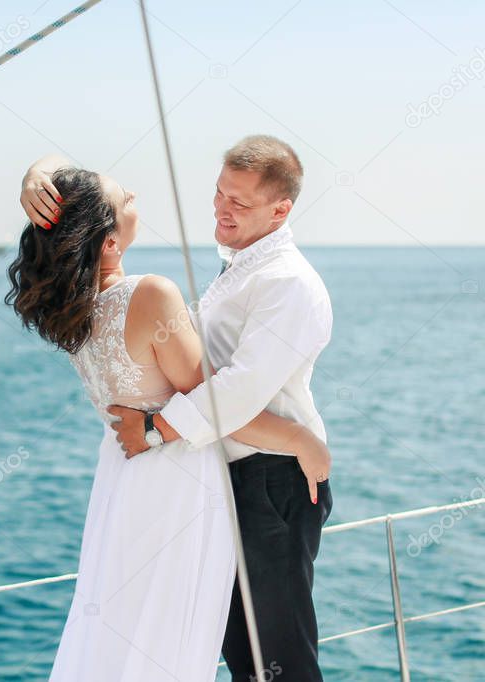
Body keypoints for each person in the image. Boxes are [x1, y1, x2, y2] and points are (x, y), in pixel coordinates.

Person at [8, 155, 331, 681]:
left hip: (127, 481)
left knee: (144, 629)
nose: (135, 195)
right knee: (198, 640)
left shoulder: (76, 304)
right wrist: (300, 438)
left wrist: (36, 173)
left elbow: (213, 397)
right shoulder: (150, 294)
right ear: (109, 242)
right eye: (125, 200)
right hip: (179, 480)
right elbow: (221, 401)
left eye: (239, 200)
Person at [109, 135, 334, 682]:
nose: (222, 209)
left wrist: (156, 430)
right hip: (232, 478)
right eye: (219, 193)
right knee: (241, 652)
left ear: (281, 209)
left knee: (281, 659)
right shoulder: (240, 269)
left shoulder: (287, 282)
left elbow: (239, 387)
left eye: (240, 202)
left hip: (273, 482)